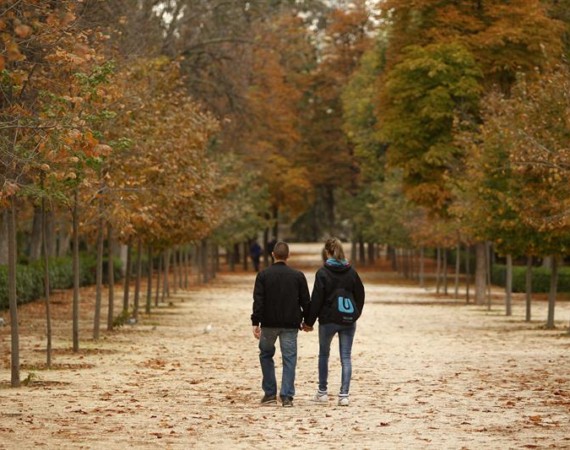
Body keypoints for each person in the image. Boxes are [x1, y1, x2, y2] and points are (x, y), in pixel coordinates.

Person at [304, 237, 365, 407]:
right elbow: (360, 294)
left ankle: (322, 392)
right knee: (346, 356)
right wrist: (356, 313)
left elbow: (316, 300)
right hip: (348, 319)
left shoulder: (323, 273)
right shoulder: (351, 272)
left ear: (327, 252)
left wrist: (309, 322)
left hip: (328, 320)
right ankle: (344, 395)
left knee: (324, 354)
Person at [251, 241, 310, 407]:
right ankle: (286, 396)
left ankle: (270, 393)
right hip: (290, 324)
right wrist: (307, 321)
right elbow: (306, 301)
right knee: (289, 358)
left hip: (269, 323)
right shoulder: (298, 276)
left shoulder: (263, 275)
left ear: (272, 255)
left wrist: (255, 321)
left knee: (265, 354)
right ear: (288, 256)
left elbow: (258, 301)